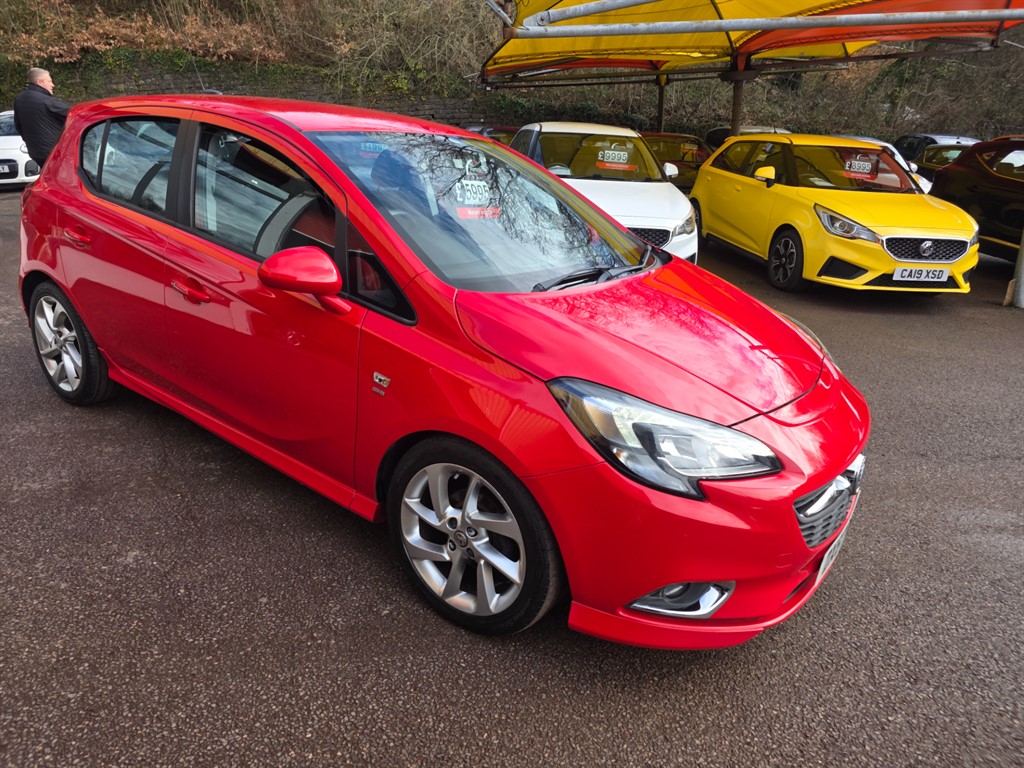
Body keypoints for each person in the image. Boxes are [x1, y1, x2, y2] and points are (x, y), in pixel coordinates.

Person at [13, 68, 71, 169]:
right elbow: (74, 114)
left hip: (35, 152)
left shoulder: (19, 99)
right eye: (49, 81)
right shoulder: (46, 101)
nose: (52, 85)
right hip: (55, 152)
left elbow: (18, 126)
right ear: (40, 82)